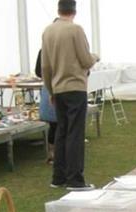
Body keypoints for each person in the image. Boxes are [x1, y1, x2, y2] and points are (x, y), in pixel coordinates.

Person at [41, 0, 98, 190]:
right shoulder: (76, 30)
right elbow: (85, 60)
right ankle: (75, 179)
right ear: (74, 10)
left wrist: (51, 90)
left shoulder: (48, 31)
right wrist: (95, 57)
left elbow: (45, 66)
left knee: (61, 132)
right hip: (75, 86)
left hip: (58, 88)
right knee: (75, 134)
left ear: (58, 10)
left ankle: (58, 177)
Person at [35, 48, 57, 164]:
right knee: (60, 123)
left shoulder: (44, 50)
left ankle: (52, 153)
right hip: (61, 87)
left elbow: (38, 72)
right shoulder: (66, 48)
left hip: (49, 86)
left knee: (54, 124)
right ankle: (56, 153)